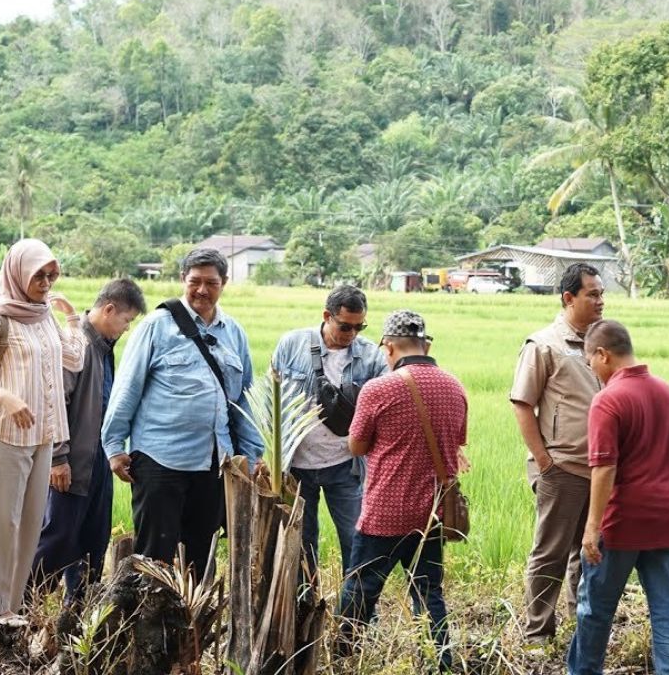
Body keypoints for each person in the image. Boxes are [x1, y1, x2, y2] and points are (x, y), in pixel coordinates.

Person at [102, 248, 263, 576]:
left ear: (224, 284)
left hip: (215, 463)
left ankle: (191, 624)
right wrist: (114, 447)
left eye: (211, 283)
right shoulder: (156, 327)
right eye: (195, 281)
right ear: (182, 280)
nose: (202, 290)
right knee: (154, 557)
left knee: (199, 555)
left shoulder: (234, 333)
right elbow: (126, 388)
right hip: (160, 459)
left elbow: (244, 400)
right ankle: (150, 623)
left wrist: (252, 454)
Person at [0, 239, 85, 626]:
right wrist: (5, 398)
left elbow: (74, 359)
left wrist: (73, 319)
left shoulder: (43, 315)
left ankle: (11, 605)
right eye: (37, 276)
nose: (45, 283)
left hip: (42, 435)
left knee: (29, 524)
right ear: (17, 274)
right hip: (3, 434)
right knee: (1, 521)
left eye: (51, 275)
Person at [341, 310, 467, 671]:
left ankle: (343, 657)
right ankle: (440, 663)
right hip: (432, 514)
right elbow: (456, 443)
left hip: (385, 511)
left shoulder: (378, 389)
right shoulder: (455, 387)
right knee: (429, 593)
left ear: (391, 347)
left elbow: (356, 447)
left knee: (361, 589)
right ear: (426, 344)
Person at [566, 320, 669, 675]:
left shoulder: (608, 401)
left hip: (622, 522)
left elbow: (604, 468)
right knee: (666, 606)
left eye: (591, 361)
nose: (593, 370)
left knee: (596, 608)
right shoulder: (667, 392)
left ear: (603, 354)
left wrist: (592, 527)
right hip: (667, 517)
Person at [31, 279, 147, 602]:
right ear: (109, 309)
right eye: (127, 320)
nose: (126, 328)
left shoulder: (104, 348)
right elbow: (54, 402)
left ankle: (80, 614)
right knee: (59, 538)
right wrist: (57, 457)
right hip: (72, 460)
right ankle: (20, 610)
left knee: (93, 540)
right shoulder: (78, 342)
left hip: (98, 459)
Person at [510, 263, 605, 645]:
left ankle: (581, 625)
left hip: (600, 469)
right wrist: (545, 462)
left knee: (589, 551)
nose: (600, 301)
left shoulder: (603, 343)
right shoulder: (544, 344)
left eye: (601, 293)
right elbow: (522, 404)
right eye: (592, 294)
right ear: (569, 298)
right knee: (550, 552)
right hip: (562, 467)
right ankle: (538, 634)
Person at [271, 285, 387, 583]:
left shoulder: (371, 356)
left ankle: (356, 617)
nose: (352, 334)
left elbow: (387, 405)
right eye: (345, 326)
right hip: (296, 466)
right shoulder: (291, 344)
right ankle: (304, 614)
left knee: (356, 541)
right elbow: (272, 401)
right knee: (301, 545)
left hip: (346, 466)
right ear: (327, 316)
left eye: (359, 327)